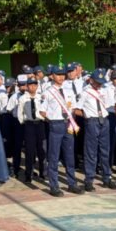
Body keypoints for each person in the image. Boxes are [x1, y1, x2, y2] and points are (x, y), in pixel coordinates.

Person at [40, 65, 84, 197]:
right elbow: (42, 111)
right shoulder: (48, 92)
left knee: (69, 155)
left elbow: (73, 108)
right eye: (58, 74)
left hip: (68, 124)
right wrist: (52, 120)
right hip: (56, 124)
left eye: (62, 74)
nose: (61, 77)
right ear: (52, 76)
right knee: (54, 156)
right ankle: (54, 186)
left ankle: (72, 184)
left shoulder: (69, 90)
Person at [74, 68, 116, 191]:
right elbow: (76, 109)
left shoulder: (104, 90)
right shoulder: (85, 92)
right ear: (91, 80)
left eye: (101, 82)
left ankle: (107, 178)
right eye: (97, 82)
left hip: (104, 120)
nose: (99, 84)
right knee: (91, 152)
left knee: (105, 151)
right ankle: (89, 180)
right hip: (92, 121)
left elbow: (109, 105)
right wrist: (87, 115)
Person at [17, 75, 46, 184]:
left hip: (40, 124)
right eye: (30, 85)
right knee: (29, 151)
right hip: (29, 125)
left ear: (37, 86)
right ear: (27, 86)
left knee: (42, 150)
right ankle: (28, 174)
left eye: (34, 85)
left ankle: (43, 172)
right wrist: (23, 122)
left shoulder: (41, 97)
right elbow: (20, 113)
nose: (32, 87)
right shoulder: (22, 98)